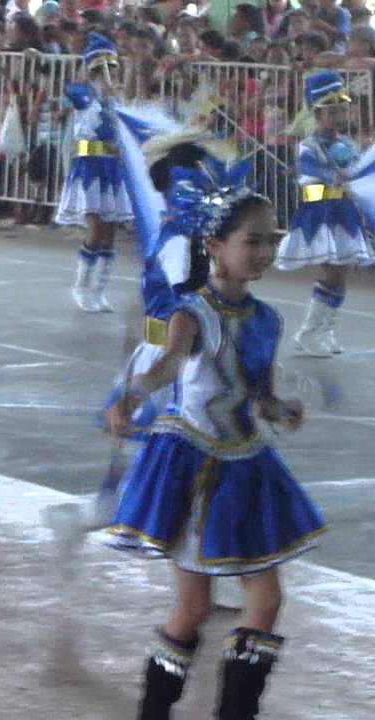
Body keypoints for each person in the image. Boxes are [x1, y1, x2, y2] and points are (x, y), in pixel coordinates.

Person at [103, 175, 325, 720]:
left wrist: (280, 411)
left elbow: (258, 391)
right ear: (214, 246)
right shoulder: (192, 314)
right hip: (197, 464)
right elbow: (169, 365)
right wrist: (130, 397)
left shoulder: (267, 319)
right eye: (252, 240)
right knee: (194, 606)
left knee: (267, 600)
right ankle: (154, 711)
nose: (264, 252)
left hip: (248, 463)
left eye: (271, 240)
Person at [276, 71, 374, 356]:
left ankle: (326, 329)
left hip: (343, 214)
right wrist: (334, 178)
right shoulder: (308, 145)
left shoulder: (347, 144)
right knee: (331, 272)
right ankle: (307, 333)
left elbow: (354, 172)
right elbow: (309, 178)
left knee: (341, 273)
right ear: (317, 113)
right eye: (332, 110)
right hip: (320, 215)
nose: (339, 115)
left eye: (342, 109)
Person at [57, 33, 133, 313]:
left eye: (111, 68)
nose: (108, 73)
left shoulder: (116, 96)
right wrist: (95, 89)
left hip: (111, 165)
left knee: (110, 232)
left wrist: (115, 102)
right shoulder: (82, 92)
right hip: (90, 165)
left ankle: (99, 291)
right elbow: (73, 95)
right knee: (96, 229)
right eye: (102, 68)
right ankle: (80, 288)